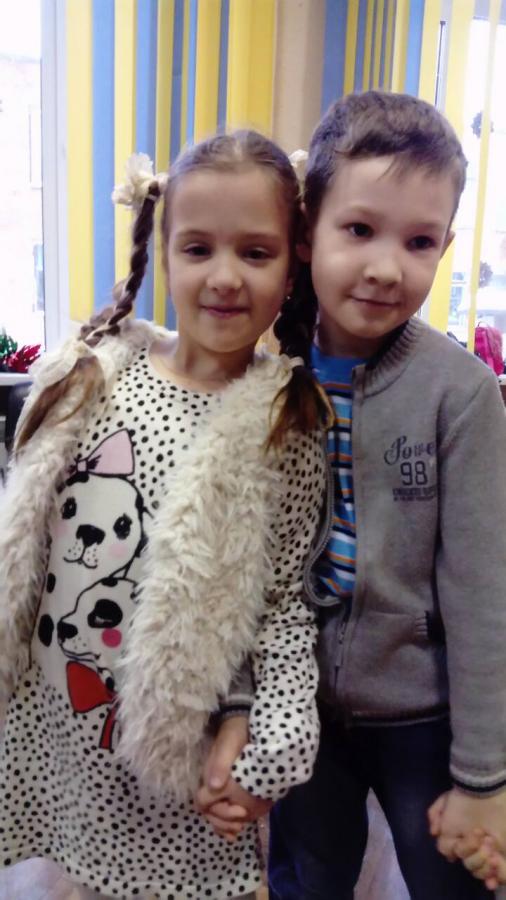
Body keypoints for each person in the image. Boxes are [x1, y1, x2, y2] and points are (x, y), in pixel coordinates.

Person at [0, 130, 329, 899]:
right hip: (59, 736)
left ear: (292, 264)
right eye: (198, 248)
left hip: (172, 762)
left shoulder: (287, 424)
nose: (225, 277)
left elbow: (282, 606)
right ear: (165, 253)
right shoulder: (92, 375)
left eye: (255, 252)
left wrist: (263, 736)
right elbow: (23, 540)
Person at [198, 92, 506, 899]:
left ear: (445, 247)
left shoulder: (461, 395)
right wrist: (238, 706)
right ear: (308, 234)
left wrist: (483, 777)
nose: (387, 267)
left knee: (452, 886)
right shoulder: (264, 378)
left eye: (420, 241)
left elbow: (483, 594)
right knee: (306, 882)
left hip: (425, 722)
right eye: (360, 229)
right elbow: (239, 568)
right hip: (301, 714)